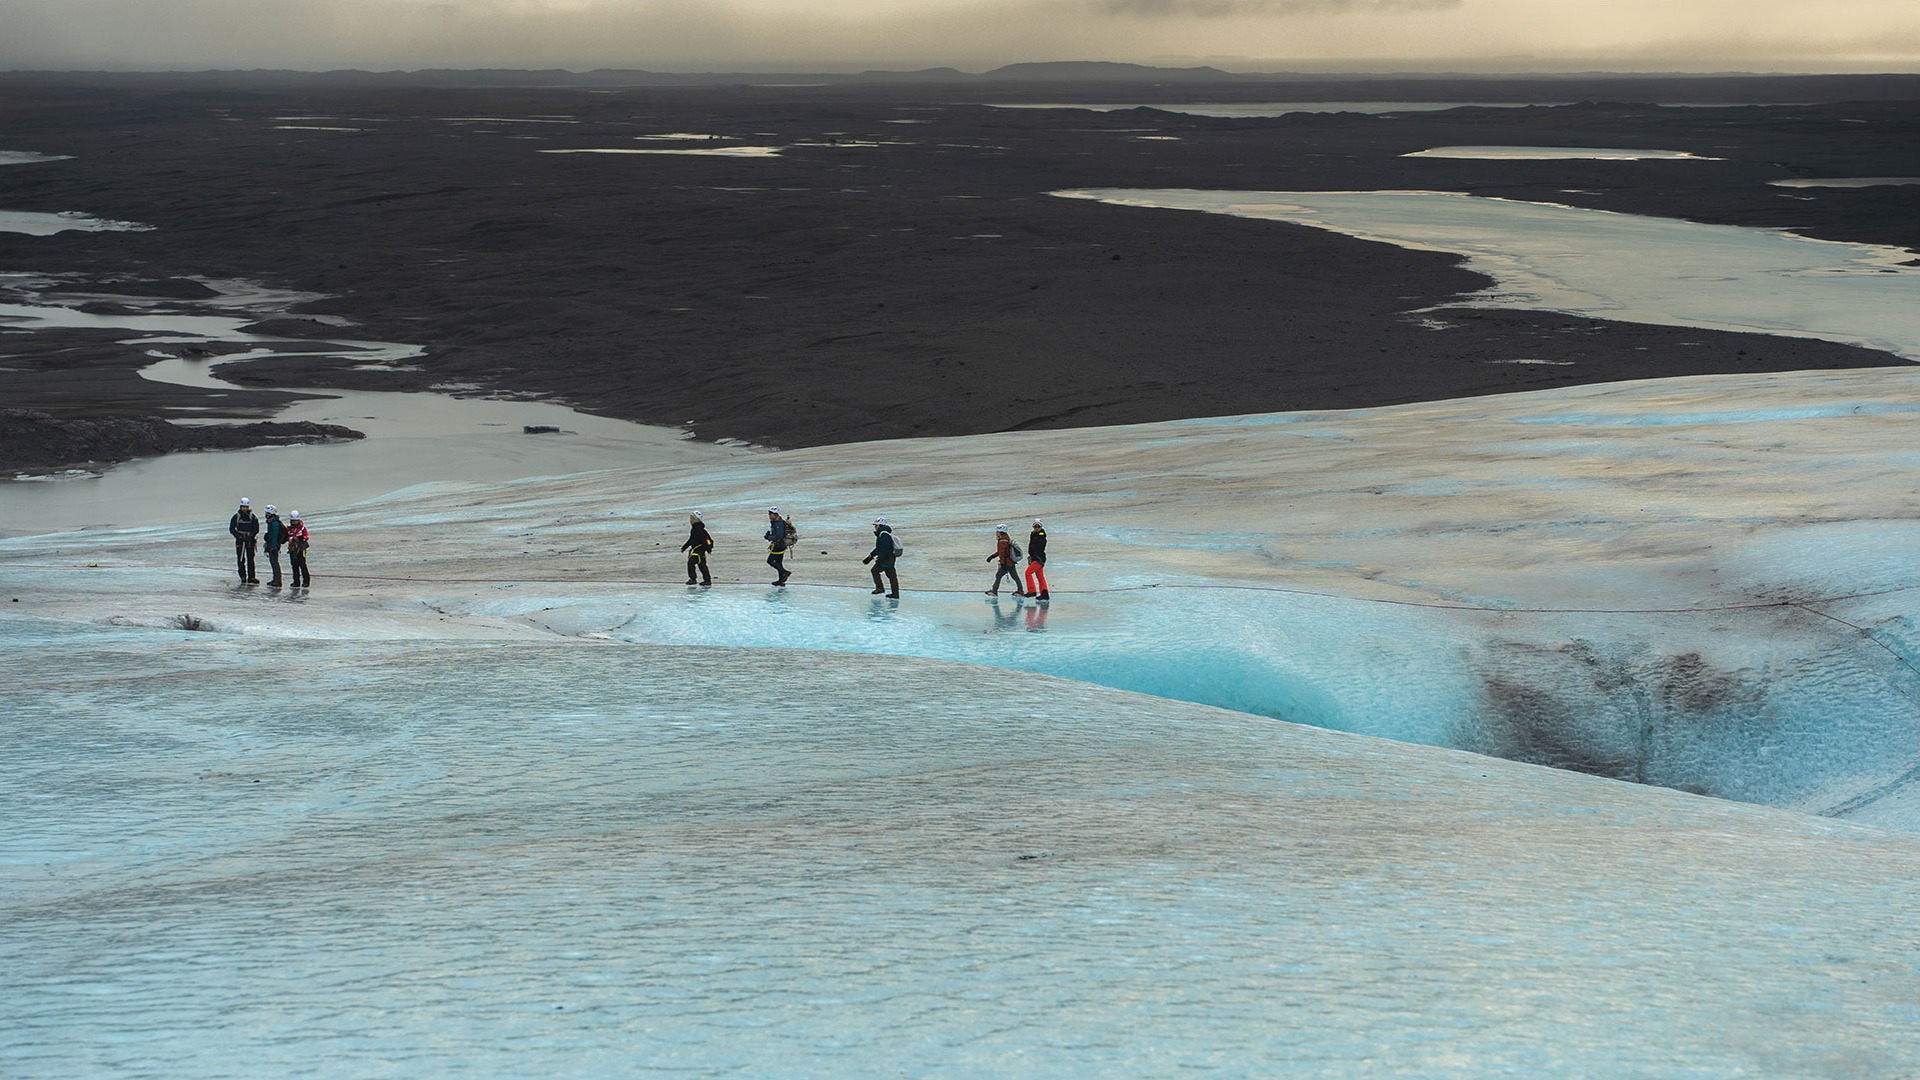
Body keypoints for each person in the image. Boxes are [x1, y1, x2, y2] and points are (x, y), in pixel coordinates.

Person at [863, 517, 901, 598]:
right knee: (892, 576)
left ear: (879, 526)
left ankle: (880, 588)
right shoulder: (885, 533)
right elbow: (879, 548)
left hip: (885, 559)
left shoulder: (883, 535)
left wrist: (880, 559)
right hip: (890, 558)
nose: (874, 527)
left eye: (875, 525)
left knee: (874, 570)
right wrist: (871, 555)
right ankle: (895, 593)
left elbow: (883, 548)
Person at [228, 497, 260, 584]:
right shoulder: (236, 517)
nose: (245, 509)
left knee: (251, 559)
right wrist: (238, 536)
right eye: (243, 507)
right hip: (240, 540)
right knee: (241, 559)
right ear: (241, 507)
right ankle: (243, 576)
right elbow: (231, 528)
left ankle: (252, 577)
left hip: (250, 540)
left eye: (246, 507)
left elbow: (256, 528)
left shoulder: (252, 517)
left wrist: (251, 536)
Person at [985, 524, 1022, 595]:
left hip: (1006, 563)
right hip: (1011, 562)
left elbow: (1002, 553)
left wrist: (1002, 563)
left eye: (997, 531)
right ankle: (1020, 591)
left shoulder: (1002, 541)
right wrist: (992, 556)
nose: (996, 533)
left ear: (1000, 532)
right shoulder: (1006, 539)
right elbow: (1001, 552)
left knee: (998, 575)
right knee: (1015, 577)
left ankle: (994, 591)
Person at [681, 511, 714, 586]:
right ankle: (707, 580)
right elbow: (691, 539)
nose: (690, 520)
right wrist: (684, 547)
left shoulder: (698, 529)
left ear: (696, 519)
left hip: (699, 550)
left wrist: (708, 549)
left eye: (692, 518)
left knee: (691, 563)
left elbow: (704, 539)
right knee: (702, 565)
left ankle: (693, 579)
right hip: (699, 550)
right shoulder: (696, 528)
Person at [764, 506, 792, 586]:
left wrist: (769, 537)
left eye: (770, 514)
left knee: (770, 561)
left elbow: (779, 536)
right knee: (779, 562)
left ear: (775, 514)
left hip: (779, 545)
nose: (769, 515)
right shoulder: (775, 522)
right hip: (780, 545)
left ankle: (784, 572)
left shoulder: (778, 523)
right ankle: (781, 580)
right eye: (769, 513)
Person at [1022, 519, 1049, 601]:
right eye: (1035, 526)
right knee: (1040, 576)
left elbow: (1040, 548)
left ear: (1041, 526)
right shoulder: (1034, 534)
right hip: (1036, 558)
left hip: (1038, 559)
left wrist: (1036, 556)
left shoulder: (1041, 536)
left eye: (1038, 526)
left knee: (1028, 573)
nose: (1037, 527)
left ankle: (1032, 591)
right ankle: (1044, 594)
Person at [262, 505, 287, 588]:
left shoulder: (274, 523)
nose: (265, 514)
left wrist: (273, 546)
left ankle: (277, 580)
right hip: (272, 545)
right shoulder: (271, 522)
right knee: (273, 563)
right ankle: (275, 579)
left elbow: (275, 535)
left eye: (267, 512)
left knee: (274, 563)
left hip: (274, 546)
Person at [286, 510, 311, 588]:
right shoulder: (289, 529)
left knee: (303, 565)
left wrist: (302, 539)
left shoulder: (302, 528)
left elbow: (306, 536)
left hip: (300, 549)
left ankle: (306, 581)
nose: (294, 522)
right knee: (294, 566)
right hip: (292, 550)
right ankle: (296, 582)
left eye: (296, 521)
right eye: (293, 521)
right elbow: (286, 537)